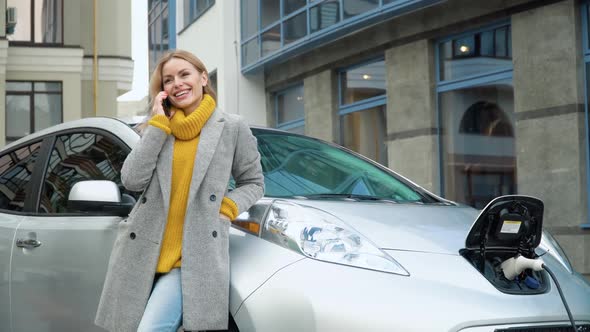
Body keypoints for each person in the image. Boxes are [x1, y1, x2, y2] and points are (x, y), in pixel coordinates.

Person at [94, 49, 265, 332]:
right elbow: (132, 181)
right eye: (168, 80)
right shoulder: (156, 128)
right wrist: (159, 124)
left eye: (184, 74)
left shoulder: (232, 127)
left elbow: (254, 182)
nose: (177, 84)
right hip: (144, 251)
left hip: (192, 257)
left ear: (202, 77)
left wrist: (225, 209)